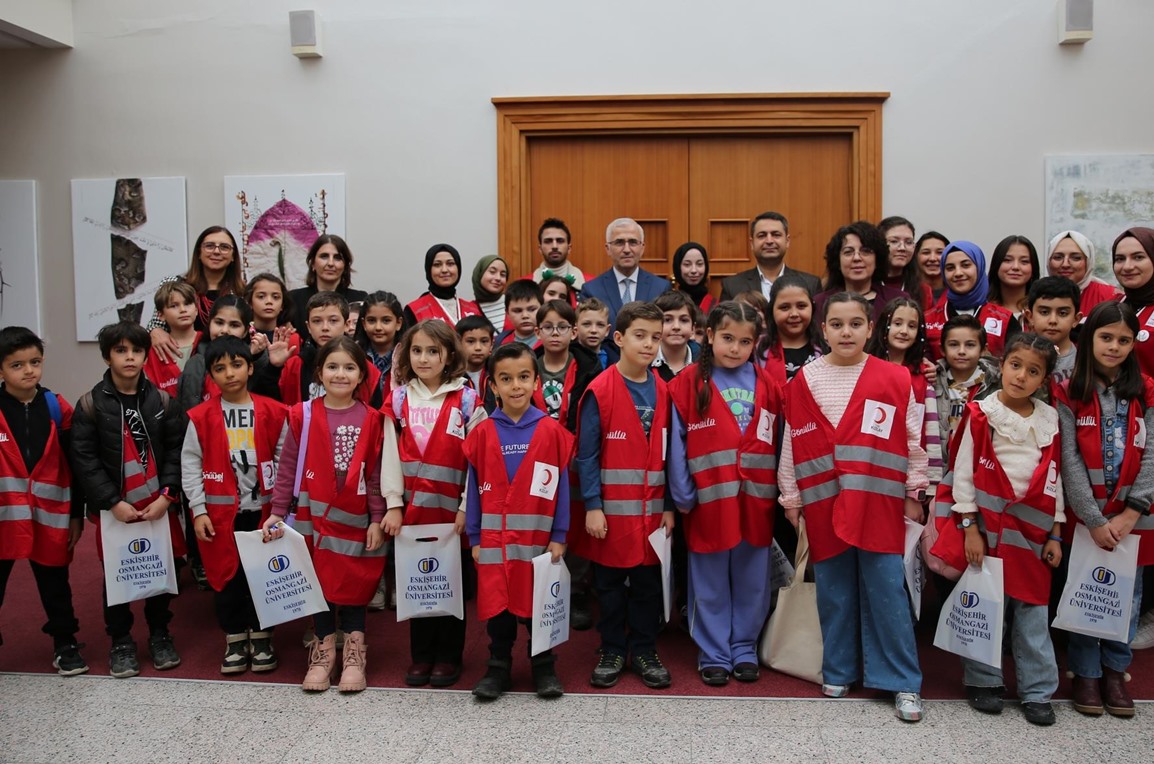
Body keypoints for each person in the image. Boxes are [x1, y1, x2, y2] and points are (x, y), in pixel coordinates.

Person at [778, 292, 927, 722]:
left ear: (870, 328)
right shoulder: (804, 380)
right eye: (837, 324)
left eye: (856, 324)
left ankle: (901, 681)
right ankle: (839, 668)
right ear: (822, 330)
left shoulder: (895, 378)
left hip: (879, 502)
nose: (846, 332)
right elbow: (792, 442)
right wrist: (791, 497)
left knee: (887, 592)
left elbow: (912, 441)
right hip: (823, 502)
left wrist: (915, 492)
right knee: (835, 592)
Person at [931, 333, 1063, 726]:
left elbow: (1054, 479)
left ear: (1043, 380)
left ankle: (1038, 690)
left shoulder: (1050, 418)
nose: (1021, 376)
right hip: (988, 530)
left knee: (1033, 615)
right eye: (1016, 365)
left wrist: (1056, 531)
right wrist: (970, 527)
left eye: (1033, 371)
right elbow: (963, 475)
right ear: (1001, 366)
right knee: (987, 607)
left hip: (1033, 533)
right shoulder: (979, 413)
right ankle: (984, 681)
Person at [263, 336, 395, 693]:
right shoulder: (302, 414)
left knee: (353, 586)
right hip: (313, 517)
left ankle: (354, 654)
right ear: (319, 372)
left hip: (354, 518)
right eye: (332, 367)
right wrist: (277, 511)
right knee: (317, 586)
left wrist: (375, 518)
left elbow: (376, 472)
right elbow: (287, 465)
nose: (341, 374)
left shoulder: (372, 419)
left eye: (349, 367)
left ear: (361, 375)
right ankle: (324, 653)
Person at [668, 301, 782, 686]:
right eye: (728, 338)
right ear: (710, 335)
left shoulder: (767, 383)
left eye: (744, 341)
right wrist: (683, 495)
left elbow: (779, 442)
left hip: (757, 499)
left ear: (755, 344)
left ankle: (744, 647)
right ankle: (714, 651)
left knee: (753, 578)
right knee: (710, 579)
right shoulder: (685, 383)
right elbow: (676, 446)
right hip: (708, 501)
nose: (735, 348)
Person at [70, 321, 185, 679]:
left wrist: (168, 495)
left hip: (157, 504)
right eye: (121, 351)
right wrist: (110, 501)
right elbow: (84, 461)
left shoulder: (162, 400)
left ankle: (160, 633)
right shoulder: (90, 404)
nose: (130, 357)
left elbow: (176, 450)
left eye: (136, 350)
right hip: (117, 509)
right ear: (107, 356)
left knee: (160, 570)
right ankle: (120, 639)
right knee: (118, 575)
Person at [1057, 301, 1154, 717]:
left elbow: (1152, 453)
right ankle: (1085, 673)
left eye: (1124, 340)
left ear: (1134, 344)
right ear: (1088, 339)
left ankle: (1115, 671)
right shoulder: (1067, 390)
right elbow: (1069, 457)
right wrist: (1094, 518)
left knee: (1126, 599)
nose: (1114, 346)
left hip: (1135, 518)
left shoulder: (1147, 388)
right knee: (1086, 593)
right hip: (1087, 518)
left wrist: (1134, 510)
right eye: (1106, 337)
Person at [464, 342, 575, 700]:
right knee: (499, 607)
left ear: (536, 382)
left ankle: (543, 665)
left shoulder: (551, 431)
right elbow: (474, 489)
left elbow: (562, 490)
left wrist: (559, 534)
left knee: (537, 604)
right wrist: (475, 537)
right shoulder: (482, 433)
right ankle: (498, 666)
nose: (516, 386)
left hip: (536, 540)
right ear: (493, 386)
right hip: (494, 542)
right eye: (506, 379)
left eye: (524, 377)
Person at [573, 301, 674, 690]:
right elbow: (588, 453)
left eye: (656, 337)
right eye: (640, 335)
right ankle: (613, 648)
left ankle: (645, 649)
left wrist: (668, 507)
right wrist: (593, 507)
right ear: (619, 338)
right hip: (611, 516)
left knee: (648, 585)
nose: (649, 344)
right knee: (611, 588)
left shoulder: (663, 391)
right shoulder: (600, 389)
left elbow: (669, 456)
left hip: (651, 514)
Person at [383, 320, 487, 688]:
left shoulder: (467, 399)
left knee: (449, 584)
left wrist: (466, 507)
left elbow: (477, 462)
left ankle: (448, 655)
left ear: (449, 356)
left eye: (433, 351)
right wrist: (393, 503)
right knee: (418, 583)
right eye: (416, 351)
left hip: (450, 515)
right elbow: (389, 454)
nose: (424, 358)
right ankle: (422, 655)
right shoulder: (398, 399)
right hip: (412, 512)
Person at [182, 336, 287, 675]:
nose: (229, 373)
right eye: (220, 368)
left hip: (264, 514)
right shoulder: (200, 417)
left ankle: (261, 636)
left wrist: (283, 509)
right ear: (211, 375)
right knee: (227, 579)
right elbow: (190, 465)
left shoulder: (272, 411)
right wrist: (198, 510)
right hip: (220, 517)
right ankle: (234, 638)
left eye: (236, 364)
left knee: (262, 576)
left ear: (250, 367)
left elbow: (286, 460)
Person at [0, 326, 87, 675]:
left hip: (51, 515)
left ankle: (64, 642)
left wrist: (76, 515)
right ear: (2, 369)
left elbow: (76, 464)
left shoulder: (56, 407)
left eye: (34, 362)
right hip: (5, 518)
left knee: (55, 584)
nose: (28, 371)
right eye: (17, 365)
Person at [1114, 227, 1154, 651]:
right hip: (1121, 426)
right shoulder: (1117, 308)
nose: (1128, 265)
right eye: (1121, 258)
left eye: (1138, 256)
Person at [866, 297, 943, 488]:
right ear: (885, 325)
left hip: (908, 476)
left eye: (912, 326)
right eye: (897, 323)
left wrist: (930, 485)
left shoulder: (924, 376)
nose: (904, 331)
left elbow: (931, 431)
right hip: (868, 470)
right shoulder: (865, 368)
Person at [259, 292, 380, 407]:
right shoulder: (294, 366)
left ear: (346, 325)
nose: (325, 327)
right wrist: (273, 368)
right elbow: (269, 407)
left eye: (333, 321)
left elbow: (376, 417)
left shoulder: (365, 367)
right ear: (308, 327)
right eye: (317, 321)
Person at [149, 226, 247, 363]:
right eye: (209, 246)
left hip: (226, 363)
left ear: (233, 256)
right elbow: (156, 323)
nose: (216, 252)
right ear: (199, 253)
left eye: (224, 247)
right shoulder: (174, 284)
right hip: (178, 359)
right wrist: (155, 331)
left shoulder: (241, 293)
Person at [925, 241, 1018, 361]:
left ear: (979, 267)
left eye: (965, 265)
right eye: (950, 268)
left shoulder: (1005, 319)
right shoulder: (928, 319)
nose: (958, 273)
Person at [579, 218, 672, 325]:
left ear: (642, 248)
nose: (627, 250)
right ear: (608, 248)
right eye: (619, 242)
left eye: (633, 242)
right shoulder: (592, 290)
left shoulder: (661, 288)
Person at [814, 220, 909, 323]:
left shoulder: (898, 300)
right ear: (838, 262)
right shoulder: (820, 303)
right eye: (848, 252)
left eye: (865, 251)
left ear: (877, 260)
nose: (856, 258)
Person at [176, 295, 257, 413]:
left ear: (245, 331)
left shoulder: (257, 359)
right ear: (209, 324)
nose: (224, 330)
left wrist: (253, 357)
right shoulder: (196, 364)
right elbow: (187, 411)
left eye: (234, 325)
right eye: (219, 323)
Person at [719, 211, 821, 301]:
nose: (769, 241)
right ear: (752, 243)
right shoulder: (732, 285)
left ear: (787, 241)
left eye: (776, 235)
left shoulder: (810, 284)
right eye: (762, 235)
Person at [933, 315, 1001, 448]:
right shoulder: (931, 381)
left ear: (983, 350)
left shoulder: (995, 383)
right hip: (938, 463)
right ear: (942, 349)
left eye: (970, 345)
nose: (961, 351)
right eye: (954, 345)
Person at [534, 300, 600, 432]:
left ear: (574, 333)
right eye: (547, 327)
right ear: (537, 332)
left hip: (575, 441)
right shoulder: (528, 367)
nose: (555, 333)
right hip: (537, 439)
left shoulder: (589, 369)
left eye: (562, 327)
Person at [286, 235, 368, 331]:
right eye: (324, 256)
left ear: (345, 266)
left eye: (337, 258)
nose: (330, 263)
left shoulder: (360, 299)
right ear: (313, 263)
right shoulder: (293, 299)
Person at [758, 274, 822, 385]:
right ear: (771, 310)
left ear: (812, 307)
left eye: (801, 306)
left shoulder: (826, 346)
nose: (794, 314)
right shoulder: (758, 348)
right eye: (784, 307)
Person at [1023, 276, 1082, 392]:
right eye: (1044, 312)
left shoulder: (1084, 363)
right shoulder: (1017, 357)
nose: (1053, 320)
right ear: (1030, 317)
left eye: (1063, 313)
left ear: (1076, 319)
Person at [143, 280, 200, 397]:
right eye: (174, 306)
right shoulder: (153, 350)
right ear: (160, 315)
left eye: (188, 303)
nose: (183, 309)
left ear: (196, 310)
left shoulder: (207, 342)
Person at [1047, 230, 1122, 318]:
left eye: (1076, 258)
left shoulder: (1110, 297)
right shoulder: (1036, 295)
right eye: (1058, 257)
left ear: (1088, 262)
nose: (1065, 264)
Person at [404, 244, 483, 326]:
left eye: (450, 264)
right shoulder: (414, 310)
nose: (444, 270)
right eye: (437, 265)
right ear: (428, 270)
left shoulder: (474, 309)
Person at [353, 290, 403, 408]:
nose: (378, 327)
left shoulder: (408, 357)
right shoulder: (353, 355)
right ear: (363, 323)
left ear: (398, 323)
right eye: (371, 321)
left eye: (386, 320)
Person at [879, 216, 932, 309]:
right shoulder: (866, 285)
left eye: (908, 242)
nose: (902, 248)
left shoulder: (923, 290)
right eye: (894, 241)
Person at [988, 235, 1041, 323]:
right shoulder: (982, 311)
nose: (1015, 267)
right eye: (1007, 260)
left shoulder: (1040, 311)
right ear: (996, 265)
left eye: (1024, 261)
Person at [531, 217, 591, 293]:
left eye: (560, 241)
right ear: (540, 249)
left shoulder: (590, 284)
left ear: (569, 248)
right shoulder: (525, 286)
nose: (554, 246)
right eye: (548, 241)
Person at [652, 290, 701, 382]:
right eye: (667, 320)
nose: (676, 327)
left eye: (684, 320)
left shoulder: (704, 361)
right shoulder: (644, 361)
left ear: (693, 329)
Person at [245, 273, 296, 344]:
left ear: (282, 305)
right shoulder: (240, 336)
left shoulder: (291, 339)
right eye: (261, 296)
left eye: (275, 297)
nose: (269, 301)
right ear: (250, 302)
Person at [456, 315, 496, 404]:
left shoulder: (497, 372)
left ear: (492, 345)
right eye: (470, 341)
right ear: (458, 343)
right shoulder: (452, 376)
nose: (478, 348)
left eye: (484, 341)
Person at [495, 279, 543, 348]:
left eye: (532, 309)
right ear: (507, 313)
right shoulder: (500, 342)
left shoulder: (551, 340)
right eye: (517, 311)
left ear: (542, 309)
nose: (525, 316)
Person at [671, 241, 716, 315]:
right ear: (678, 267)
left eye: (699, 264)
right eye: (687, 264)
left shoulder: (714, 305)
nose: (694, 270)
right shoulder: (669, 304)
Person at [471, 255, 511, 331]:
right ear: (480, 274)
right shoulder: (468, 309)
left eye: (503, 275)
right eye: (492, 272)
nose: (498, 278)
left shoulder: (512, 303)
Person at [575, 298, 611, 370]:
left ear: (607, 330)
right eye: (586, 324)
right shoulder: (569, 359)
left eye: (600, 325)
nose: (593, 330)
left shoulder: (615, 359)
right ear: (575, 329)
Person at [915, 231, 949, 303]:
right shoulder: (906, 293)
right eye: (926, 253)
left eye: (940, 252)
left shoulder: (958, 294)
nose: (932, 258)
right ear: (915, 256)